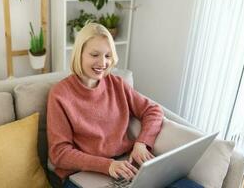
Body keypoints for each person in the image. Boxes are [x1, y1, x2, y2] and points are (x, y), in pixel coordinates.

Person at [47, 23, 164, 188]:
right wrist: (107, 165)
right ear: (79, 54)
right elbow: (59, 153)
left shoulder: (117, 84)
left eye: (108, 56)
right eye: (95, 55)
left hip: (123, 164)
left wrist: (142, 142)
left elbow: (153, 110)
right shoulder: (60, 94)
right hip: (82, 174)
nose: (103, 62)